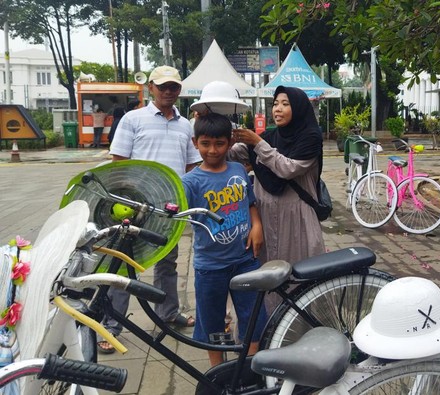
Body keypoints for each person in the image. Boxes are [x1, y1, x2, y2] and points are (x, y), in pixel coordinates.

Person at [99, 65, 201, 354]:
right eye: (163, 86)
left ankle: (168, 313)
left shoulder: (185, 125)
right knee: (124, 265)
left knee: (168, 263)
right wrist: (123, 201)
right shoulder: (133, 119)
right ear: (151, 88)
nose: (168, 91)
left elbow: (192, 166)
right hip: (134, 206)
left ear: (179, 90)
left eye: (173, 86)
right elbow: (119, 162)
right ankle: (111, 325)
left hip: (169, 209)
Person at [182, 112, 267, 366]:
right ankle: (217, 371)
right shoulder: (190, 182)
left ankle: (252, 368)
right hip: (210, 266)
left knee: (254, 316)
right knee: (213, 321)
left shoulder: (239, 169)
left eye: (219, 143)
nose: (212, 150)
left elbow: (250, 201)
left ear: (229, 143)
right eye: (205, 144)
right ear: (195, 143)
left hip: (245, 259)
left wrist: (257, 225)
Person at [228, 86, 325, 309]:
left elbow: (287, 168)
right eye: (275, 104)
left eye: (285, 104)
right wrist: (222, 135)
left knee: (299, 273)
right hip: (264, 216)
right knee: (266, 274)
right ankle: (268, 329)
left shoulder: (310, 138)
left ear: (299, 108)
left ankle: (300, 329)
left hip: (297, 218)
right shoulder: (270, 136)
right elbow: (235, 153)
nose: (278, 109)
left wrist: (258, 144)